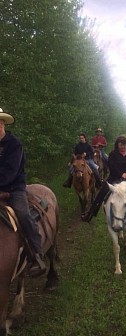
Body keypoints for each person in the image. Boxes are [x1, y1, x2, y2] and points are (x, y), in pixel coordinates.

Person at [0, 108, 46, 277]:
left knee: (23, 214)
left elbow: (10, 172)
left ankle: (37, 254)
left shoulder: (14, 144)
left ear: (3, 124)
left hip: (13, 188)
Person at [81, 135, 126, 224]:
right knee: (102, 192)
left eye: (124, 145)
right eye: (120, 145)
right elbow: (111, 166)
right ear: (117, 145)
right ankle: (90, 213)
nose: (122, 147)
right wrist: (121, 174)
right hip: (115, 178)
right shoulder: (113, 154)